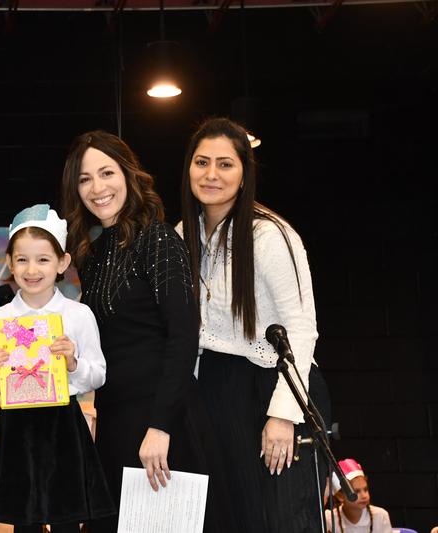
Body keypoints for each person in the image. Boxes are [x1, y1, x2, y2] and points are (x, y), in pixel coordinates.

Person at [60, 131, 233, 533]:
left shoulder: (157, 239)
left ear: (128, 174)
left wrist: (161, 426)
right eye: (85, 179)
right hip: (116, 421)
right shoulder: (93, 253)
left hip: (161, 423)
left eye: (106, 173)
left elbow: (183, 336)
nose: (97, 188)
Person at [178, 117, 326, 532]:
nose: (211, 174)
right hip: (212, 390)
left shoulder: (270, 235)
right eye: (201, 162)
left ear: (244, 174)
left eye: (225, 164)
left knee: (281, 519)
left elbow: (301, 327)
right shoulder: (180, 237)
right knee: (232, 519)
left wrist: (282, 414)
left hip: (271, 385)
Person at [0, 205, 115, 532]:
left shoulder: (78, 315)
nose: (32, 269)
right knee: (24, 522)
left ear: (62, 262)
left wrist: (72, 361)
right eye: (22, 259)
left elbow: (98, 375)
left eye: (43, 259)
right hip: (16, 428)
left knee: (67, 518)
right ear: (9, 262)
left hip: (63, 423)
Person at [325, 458, 392, 533]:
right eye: (356, 491)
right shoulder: (329, 519)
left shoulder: (380, 516)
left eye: (366, 489)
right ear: (340, 496)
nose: (364, 496)